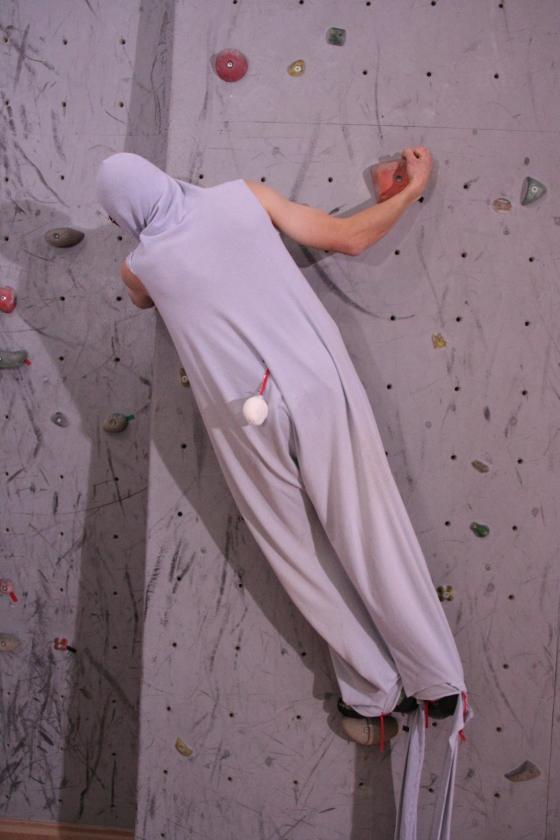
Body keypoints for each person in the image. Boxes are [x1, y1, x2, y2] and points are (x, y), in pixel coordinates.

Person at [96, 149, 472, 840]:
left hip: (241, 415)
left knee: (298, 555)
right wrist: (406, 191)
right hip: (314, 382)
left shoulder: (138, 266)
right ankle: (437, 681)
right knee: (368, 524)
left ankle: (372, 693)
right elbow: (349, 239)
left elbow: (142, 292)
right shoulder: (242, 196)